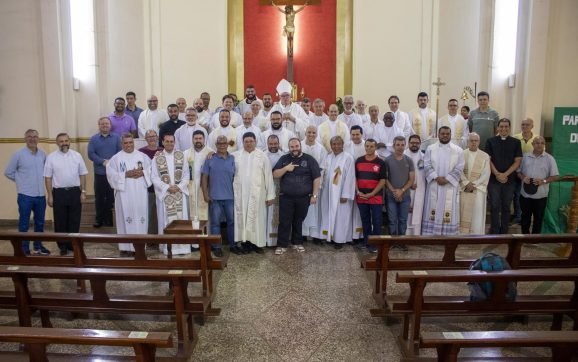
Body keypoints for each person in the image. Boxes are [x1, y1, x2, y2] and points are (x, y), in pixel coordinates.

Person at [4, 129, 50, 255]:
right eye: (29, 136)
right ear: (25, 139)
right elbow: (8, 172)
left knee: (40, 223)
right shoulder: (18, 154)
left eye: (35, 136)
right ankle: (23, 249)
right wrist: (20, 181)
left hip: (40, 195)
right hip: (25, 195)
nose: (32, 139)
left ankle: (38, 246)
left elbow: (47, 173)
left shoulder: (43, 154)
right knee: (24, 223)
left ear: (38, 139)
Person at [272, 138, 321, 254]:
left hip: (304, 197)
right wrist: (286, 168)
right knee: (284, 221)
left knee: (298, 220)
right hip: (286, 197)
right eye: (292, 147)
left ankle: (297, 243)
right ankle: (282, 245)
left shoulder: (309, 159)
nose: (295, 149)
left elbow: (317, 178)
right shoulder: (284, 159)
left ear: (300, 146)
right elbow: (274, 174)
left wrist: (314, 195)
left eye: (296, 146)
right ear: (289, 148)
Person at [106, 134, 152, 256]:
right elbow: (110, 175)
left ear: (134, 143)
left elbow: (151, 170)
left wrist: (143, 173)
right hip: (123, 194)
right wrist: (125, 174)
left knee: (141, 218)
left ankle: (140, 246)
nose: (128, 145)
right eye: (126, 143)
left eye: (130, 142)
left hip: (140, 193)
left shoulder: (142, 156)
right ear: (122, 144)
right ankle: (125, 247)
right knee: (125, 218)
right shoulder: (116, 159)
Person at [44, 133, 88, 255]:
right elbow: (48, 178)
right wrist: (50, 195)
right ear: (57, 143)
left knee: (75, 220)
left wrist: (83, 192)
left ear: (70, 142)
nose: (64, 143)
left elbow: (83, 174)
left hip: (75, 192)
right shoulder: (51, 157)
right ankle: (62, 245)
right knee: (60, 221)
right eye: (61, 141)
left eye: (66, 141)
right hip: (59, 193)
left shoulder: (77, 156)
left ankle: (72, 244)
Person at [233, 133, 276, 253]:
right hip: (241, 194)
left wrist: (270, 195)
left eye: (251, 141)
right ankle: (245, 242)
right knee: (243, 217)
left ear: (255, 142)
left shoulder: (262, 156)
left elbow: (268, 175)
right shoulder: (236, 156)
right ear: (242, 142)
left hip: (258, 194)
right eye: (246, 141)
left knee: (257, 218)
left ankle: (257, 244)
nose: (248, 143)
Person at [421, 127, 464, 235]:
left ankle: (447, 235)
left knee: (447, 208)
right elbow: (426, 164)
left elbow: (460, 167)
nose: (445, 135)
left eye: (447, 134)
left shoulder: (458, 150)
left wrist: (448, 179)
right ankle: (431, 234)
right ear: (438, 134)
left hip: (449, 186)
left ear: (450, 134)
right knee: (433, 206)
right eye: (443, 133)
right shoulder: (430, 148)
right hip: (434, 185)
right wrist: (436, 177)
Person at [151, 134, 190, 255]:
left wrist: (178, 187)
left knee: (180, 221)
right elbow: (154, 177)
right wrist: (167, 187)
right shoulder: (157, 158)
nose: (169, 143)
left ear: (174, 142)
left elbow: (187, 175)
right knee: (166, 222)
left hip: (179, 193)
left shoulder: (181, 156)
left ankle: (182, 248)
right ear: (162, 142)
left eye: (171, 141)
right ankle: (168, 248)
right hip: (165, 194)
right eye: (167, 141)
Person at [486, 118, 522, 234]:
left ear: (509, 128)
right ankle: (495, 229)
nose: (503, 129)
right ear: (498, 128)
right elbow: (488, 159)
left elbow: (517, 161)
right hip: (494, 179)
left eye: (506, 126)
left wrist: (505, 174)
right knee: (494, 205)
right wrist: (497, 174)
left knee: (506, 207)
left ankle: (504, 230)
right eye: (501, 126)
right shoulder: (490, 141)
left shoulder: (516, 142)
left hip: (510, 179)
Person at [201, 135, 236, 256]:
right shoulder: (210, 159)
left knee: (232, 222)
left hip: (230, 197)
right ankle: (216, 247)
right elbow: (204, 177)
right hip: (214, 197)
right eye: (219, 143)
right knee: (215, 223)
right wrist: (205, 193)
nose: (222, 145)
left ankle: (233, 245)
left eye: (224, 143)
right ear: (216, 145)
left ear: (227, 144)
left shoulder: (232, 159)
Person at [319, 136, 356, 249]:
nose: (336, 146)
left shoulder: (348, 158)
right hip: (328, 193)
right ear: (331, 145)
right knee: (328, 214)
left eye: (338, 144)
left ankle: (339, 240)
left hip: (340, 194)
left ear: (342, 144)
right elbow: (323, 172)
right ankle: (330, 236)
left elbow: (350, 177)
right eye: (333, 144)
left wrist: (346, 194)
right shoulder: (328, 157)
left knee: (341, 217)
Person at [518, 136, 559, 234]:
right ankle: (524, 237)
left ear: (544, 145)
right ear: (533, 144)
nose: (539, 145)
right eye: (537, 143)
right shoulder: (525, 157)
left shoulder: (550, 159)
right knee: (525, 217)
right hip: (525, 194)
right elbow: (518, 172)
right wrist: (523, 177)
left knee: (538, 218)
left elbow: (555, 176)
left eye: (542, 143)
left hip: (541, 195)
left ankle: (535, 239)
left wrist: (543, 181)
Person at [87, 116, 121, 228]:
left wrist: (111, 162)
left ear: (110, 125)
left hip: (113, 173)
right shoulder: (93, 139)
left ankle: (110, 220)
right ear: (99, 126)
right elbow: (91, 154)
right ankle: (99, 219)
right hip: (100, 172)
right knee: (100, 197)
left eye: (107, 124)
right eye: (102, 124)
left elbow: (120, 152)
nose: (105, 125)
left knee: (111, 197)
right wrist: (102, 162)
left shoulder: (116, 138)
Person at [355, 139, 386, 253]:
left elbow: (383, 181)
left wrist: (372, 194)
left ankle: (375, 244)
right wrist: (358, 191)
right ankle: (367, 242)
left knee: (377, 221)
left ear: (375, 147)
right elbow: (355, 178)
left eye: (371, 146)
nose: (369, 148)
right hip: (362, 197)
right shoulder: (358, 161)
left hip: (375, 197)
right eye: (367, 146)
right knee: (365, 220)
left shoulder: (381, 162)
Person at [459, 132, 491, 235]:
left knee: (476, 214)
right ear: (468, 142)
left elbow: (486, 173)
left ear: (479, 142)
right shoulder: (462, 154)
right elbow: (458, 170)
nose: (473, 143)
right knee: (463, 212)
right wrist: (466, 183)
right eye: (471, 140)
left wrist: (474, 184)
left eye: (476, 141)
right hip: (464, 188)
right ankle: (462, 234)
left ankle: (476, 235)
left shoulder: (485, 156)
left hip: (477, 189)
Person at [384, 136, 415, 241]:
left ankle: (401, 242)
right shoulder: (387, 160)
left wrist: (401, 191)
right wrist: (394, 191)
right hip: (391, 196)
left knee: (403, 220)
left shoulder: (409, 160)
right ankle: (392, 242)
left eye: (402, 145)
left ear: (405, 145)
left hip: (405, 196)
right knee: (392, 220)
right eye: (398, 145)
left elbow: (411, 180)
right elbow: (385, 179)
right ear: (393, 146)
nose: (400, 147)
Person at [301, 126, 327, 241]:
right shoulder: (300, 145)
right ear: (305, 133)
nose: (311, 134)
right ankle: (302, 234)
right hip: (301, 183)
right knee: (302, 208)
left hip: (315, 182)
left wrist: (315, 178)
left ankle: (315, 234)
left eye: (313, 133)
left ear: (317, 134)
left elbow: (323, 166)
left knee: (315, 209)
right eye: (309, 132)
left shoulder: (321, 148)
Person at [512, 118, 539, 224]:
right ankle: (517, 215)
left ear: (532, 126)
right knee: (516, 194)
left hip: (530, 172)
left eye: (527, 124)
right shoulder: (515, 138)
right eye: (523, 124)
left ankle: (522, 216)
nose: (525, 126)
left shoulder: (537, 138)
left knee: (524, 195)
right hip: (515, 171)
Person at [183, 130, 213, 225]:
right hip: (190, 186)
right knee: (190, 212)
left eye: (200, 138)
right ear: (192, 140)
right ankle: (192, 238)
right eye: (196, 138)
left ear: (204, 139)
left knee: (205, 214)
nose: (198, 140)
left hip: (205, 187)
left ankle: (205, 237)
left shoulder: (211, 153)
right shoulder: (186, 154)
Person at [138, 130, 163, 236]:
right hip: (149, 188)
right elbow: (140, 169)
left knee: (162, 214)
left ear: (157, 138)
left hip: (163, 188)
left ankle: (162, 235)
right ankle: (151, 237)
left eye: (154, 136)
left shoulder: (163, 150)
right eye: (149, 136)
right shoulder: (140, 152)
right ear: (146, 139)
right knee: (150, 214)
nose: (152, 138)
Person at [264, 135, 286, 247]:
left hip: (280, 187)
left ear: (279, 143)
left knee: (279, 213)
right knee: (266, 213)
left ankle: (277, 241)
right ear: (267, 144)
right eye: (271, 144)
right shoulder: (262, 155)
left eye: (275, 144)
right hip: (266, 187)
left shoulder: (284, 156)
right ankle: (265, 240)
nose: (273, 146)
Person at [404, 135, 426, 236]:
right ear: (408, 143)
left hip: (419, 190)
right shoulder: (403, 155)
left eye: (417, 143)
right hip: (405, 190)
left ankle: (416, 236)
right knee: (406, 213)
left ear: (420, 144)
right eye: (412, 142)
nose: (414, 145)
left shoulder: (424, 157)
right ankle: (404, 236)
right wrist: (409, 184)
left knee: (417, 212)